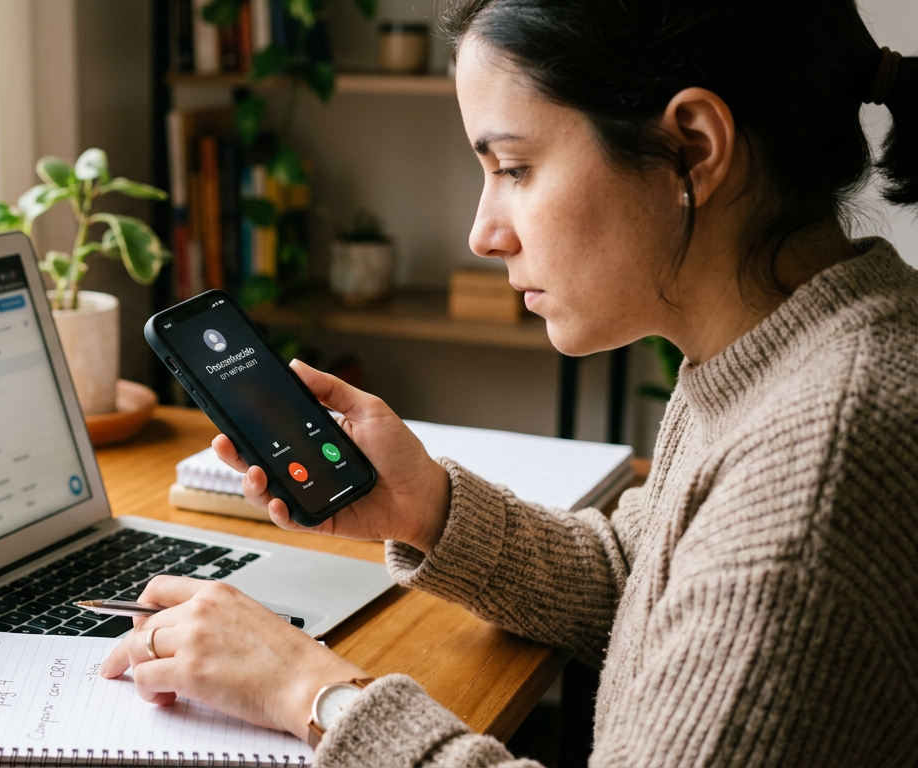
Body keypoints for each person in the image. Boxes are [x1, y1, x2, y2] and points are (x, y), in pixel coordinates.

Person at [101, 0, 918, 764]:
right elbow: (644, 582)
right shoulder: (779, 346)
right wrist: (428, 508)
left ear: (694, 149)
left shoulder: (823, 458)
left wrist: (312, 694)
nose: (483, 233)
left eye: (515, 168)